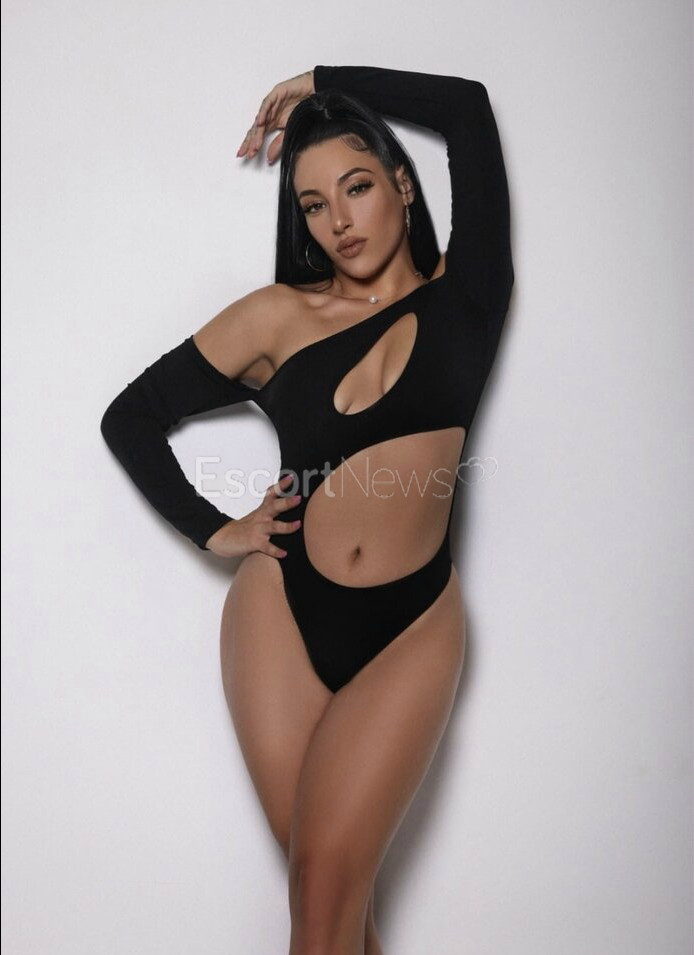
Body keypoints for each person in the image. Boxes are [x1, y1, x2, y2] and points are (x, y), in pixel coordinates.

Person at [100, 64, 514, 954]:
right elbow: (129, 416)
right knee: (326, 905)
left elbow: (467, 108)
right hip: (281, 609)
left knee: (329, 899)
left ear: (403, 184)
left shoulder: (468, 294)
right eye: (314, 204)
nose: (339, 222)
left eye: (357, 188)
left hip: (413, 626)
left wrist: (323, 82)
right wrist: (214, 528)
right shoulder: (277, 317)